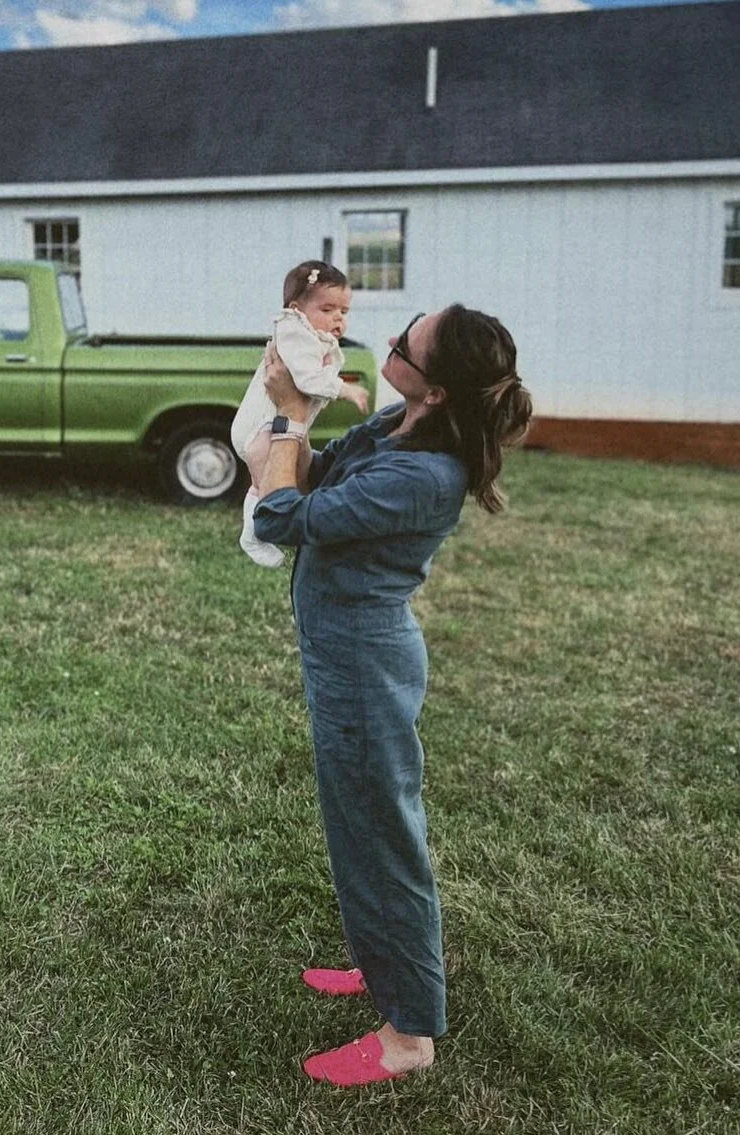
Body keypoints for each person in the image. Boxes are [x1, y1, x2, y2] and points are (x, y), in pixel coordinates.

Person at [253, 305, 534, 1086]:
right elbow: (311, 474)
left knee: (381, 838)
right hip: (343, 654)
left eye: (407, 343)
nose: (388, 342)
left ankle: (409, 1035)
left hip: (363, 667)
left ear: (436, 389)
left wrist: (287, 417)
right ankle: (380, 966)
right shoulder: (395, 426)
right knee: (358, 827)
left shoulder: (422, 474)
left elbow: (281, 514)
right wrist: (300, 409)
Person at [230, 261, 371, 569]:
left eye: (344, 311)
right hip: (260, 429)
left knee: (280, 481)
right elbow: (307, 379)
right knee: (265, 486)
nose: (338, 318)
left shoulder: (315, 338)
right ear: (296, 309)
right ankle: (255, 535)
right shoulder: (294, 332)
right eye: (327, 309)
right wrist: (345, 390)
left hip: (275, 426)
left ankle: (268, 532)